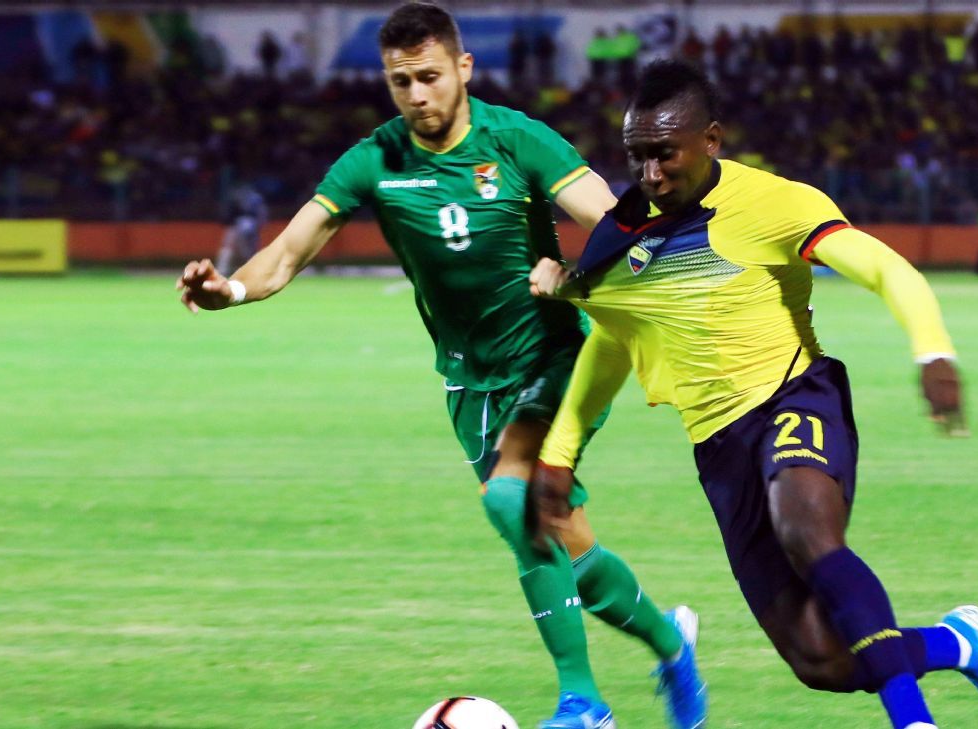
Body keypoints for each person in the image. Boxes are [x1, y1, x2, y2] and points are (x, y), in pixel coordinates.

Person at [175, 6, 705, 729]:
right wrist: (231, 290)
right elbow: (288, 252)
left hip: (553, 357)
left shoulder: (516, 140)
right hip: (469, 385)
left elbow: (616, 223)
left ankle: (584, 704)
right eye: (401, 82)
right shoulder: (376, 160)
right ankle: (672, 645)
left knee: (510, 498)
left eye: (429, 76)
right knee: (564, 543)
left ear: (463, 68)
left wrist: (577, 275)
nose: (417, 95)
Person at [528, 60, 978, 729]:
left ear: (712, 139)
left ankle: (913, 720)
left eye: (666, 154)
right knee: (820, 660)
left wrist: (933, 348)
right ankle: (958, 643)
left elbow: (883, 267)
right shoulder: (621, 235)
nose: (651, 174)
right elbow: (615, 339)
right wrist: (560, 452)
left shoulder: (773, 204)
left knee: (805, 529)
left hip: (795, 396)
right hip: (720, 450)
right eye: (637, 156)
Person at [215, 185, 267, 277]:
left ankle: (252, 270)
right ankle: (222, 271)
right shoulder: (236, 197)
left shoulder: (254, 198)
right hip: (239, 226)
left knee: (245, 251)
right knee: (231, 249)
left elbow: (262, 214)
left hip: (247, 226)